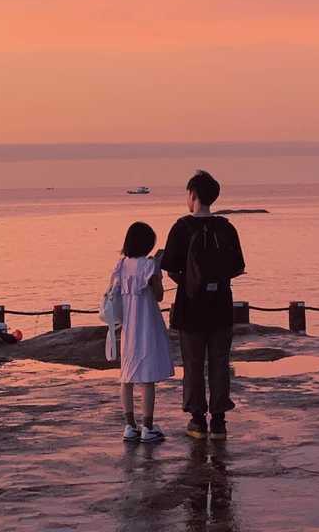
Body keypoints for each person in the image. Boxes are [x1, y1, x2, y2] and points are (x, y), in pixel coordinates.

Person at [161, 170, 245, 440]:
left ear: (192, 195)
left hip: (190, 307)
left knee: (193, 364)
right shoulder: (226, 228)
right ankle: (219, 421)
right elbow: (237, 267)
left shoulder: (181, 227)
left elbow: (170, 268)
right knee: (220, 362)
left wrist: (189, 283)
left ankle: (197, 420)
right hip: (220, 305)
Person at [107, 221, 174, 443]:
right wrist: (158, 269)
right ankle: (148, 427)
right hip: (147, 323)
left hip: (128, 326)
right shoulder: (149, 265)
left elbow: (111, 292)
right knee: (147, 378)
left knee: (126, 376)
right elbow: (158, 295)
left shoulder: (120, 265)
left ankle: (129, 426)